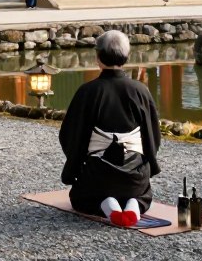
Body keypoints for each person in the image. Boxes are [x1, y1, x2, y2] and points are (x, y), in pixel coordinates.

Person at [59, 30, 161, 227]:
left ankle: (108, 205)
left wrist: (76, 167)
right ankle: (133, 205)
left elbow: (70, 136)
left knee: (81, 196)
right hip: (134, 176)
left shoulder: (88, 91)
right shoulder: (140, 91)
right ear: (126, 57)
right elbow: (153, 137)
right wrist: (147, 165)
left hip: (98, 175)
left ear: (98, 58)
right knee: (144, 193)